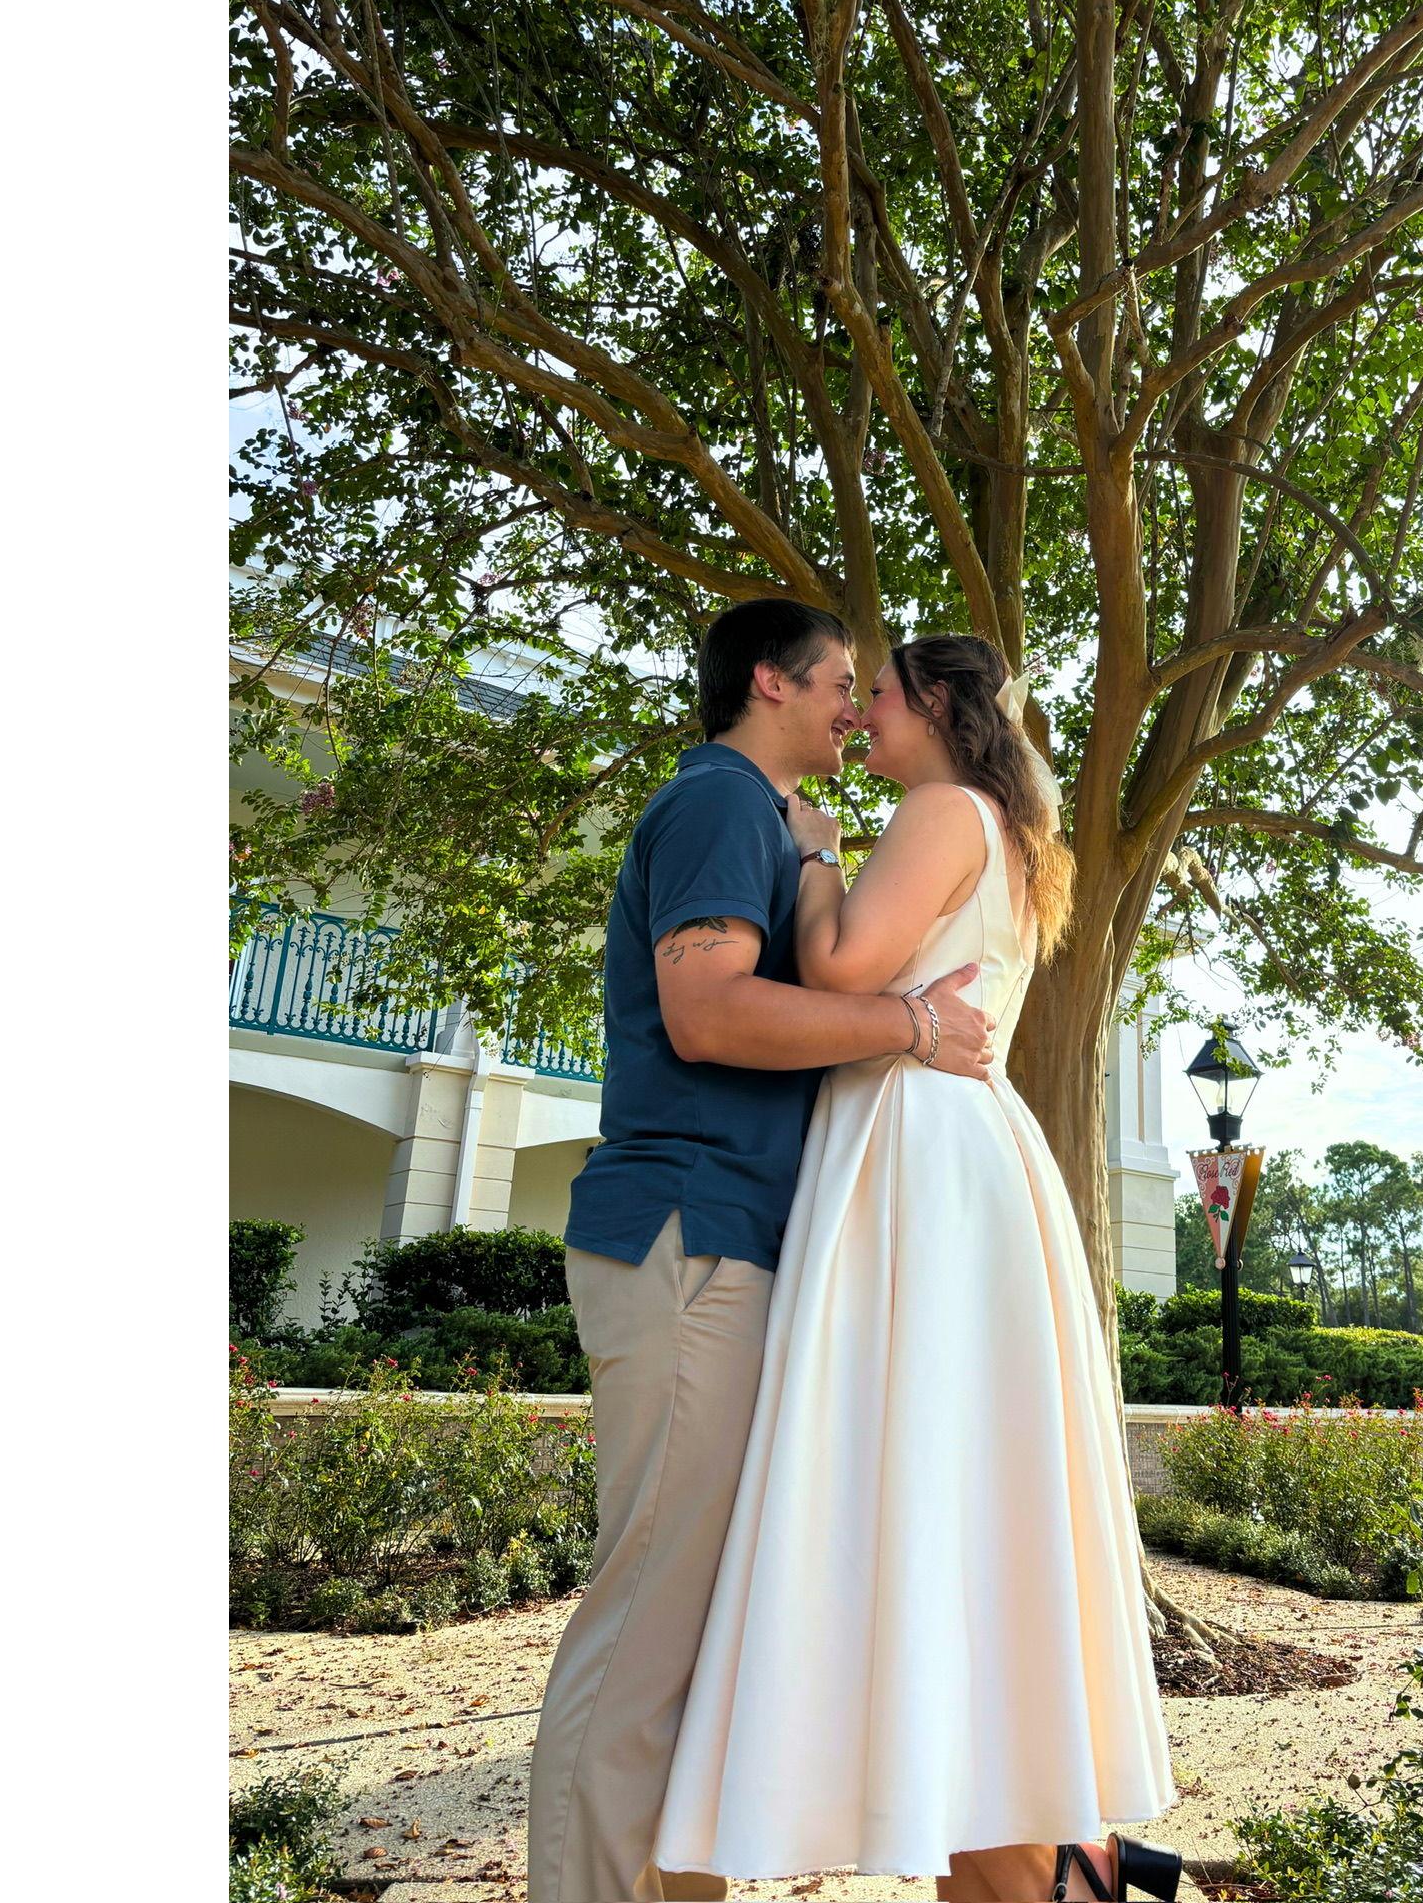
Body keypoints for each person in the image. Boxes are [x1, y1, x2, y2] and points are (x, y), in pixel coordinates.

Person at [654, 635, 1182, 1903]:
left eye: (877, 694)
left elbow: (838, 966)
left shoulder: (940, 809)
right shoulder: (999, 826)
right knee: (952, 1487)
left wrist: (817, 852)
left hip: (913, 1147)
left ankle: (1045, 1857)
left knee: (902, 1470)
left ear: (935, 704)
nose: (860, 715)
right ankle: (1045, 1848)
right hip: (953, 1141)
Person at [526, 600, 999, 1903]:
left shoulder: (769, 822)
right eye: (840, 680)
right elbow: (706, 1010)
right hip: (690, 1237)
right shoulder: (719, 803)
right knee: (646, 1635)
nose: (856, 706)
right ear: (767, 681)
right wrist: (908, 1027)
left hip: (739, 1247)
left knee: (707, 1645)